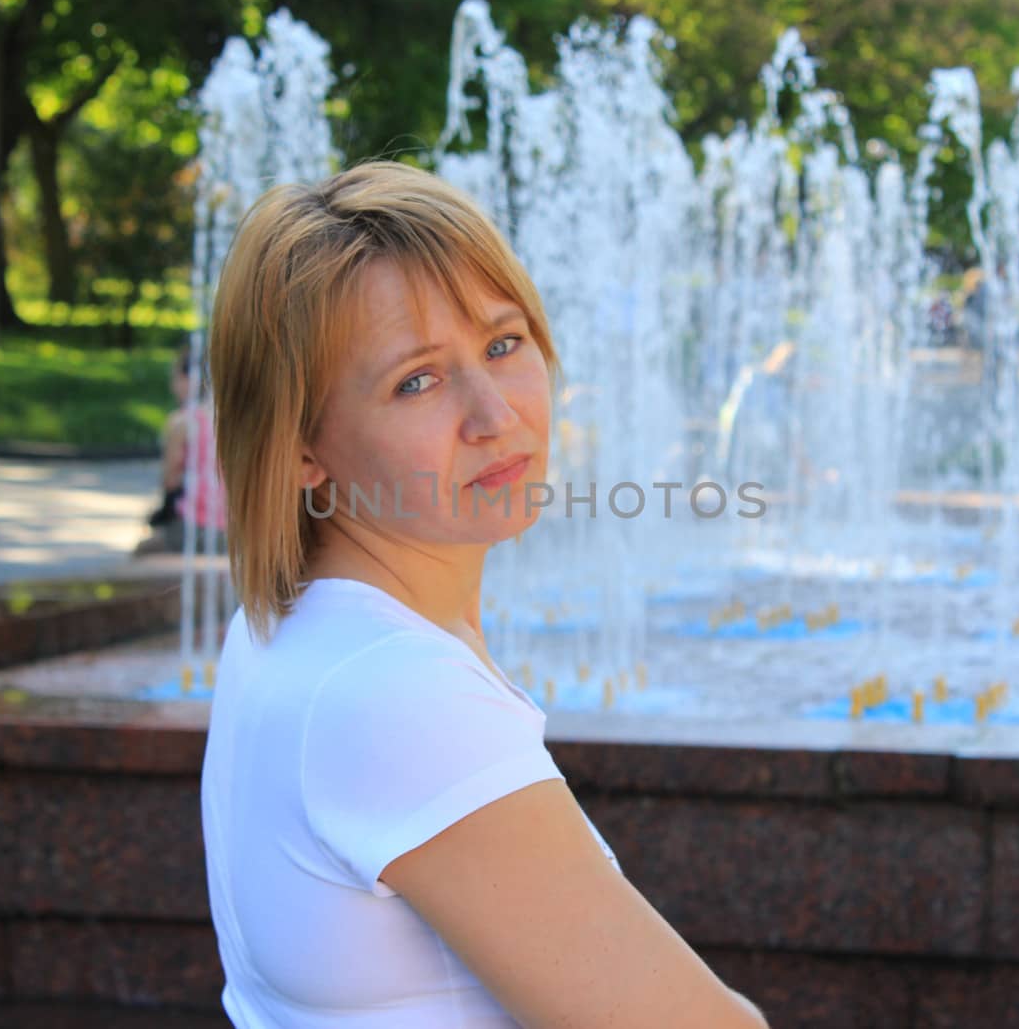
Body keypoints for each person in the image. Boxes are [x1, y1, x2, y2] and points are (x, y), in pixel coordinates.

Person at [201, 161, 768, 1028]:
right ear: (302, 447)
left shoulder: (295, 626)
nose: (494, 413)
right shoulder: (394, 689)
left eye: (504, 344)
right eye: (416, 381)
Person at [136, 342, 226, 555]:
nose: (172, 386)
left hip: (197, 525)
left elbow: (171, 479)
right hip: (238, 531)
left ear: (190, 379)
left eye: (175, 378)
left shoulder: (183, 422)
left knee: (143, 552)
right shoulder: (237, 420)